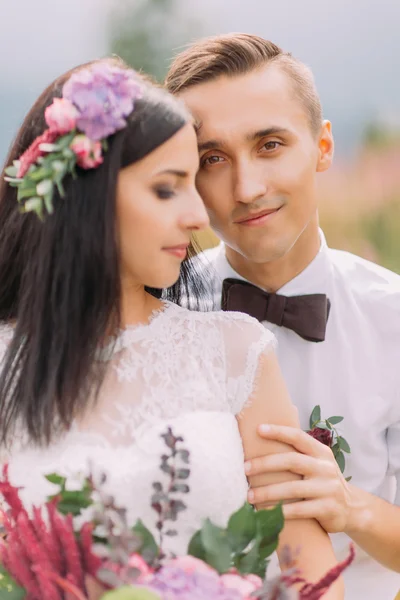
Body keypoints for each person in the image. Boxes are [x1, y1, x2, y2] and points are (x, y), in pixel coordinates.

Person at [0, 57, 343, 597]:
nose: (199, 216)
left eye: (194, 185)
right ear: (86, 196)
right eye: (166, 189)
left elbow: (304, 561)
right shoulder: (6, 366)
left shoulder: (236, 352)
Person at [165, 33, 400, 599]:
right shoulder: (149, 316)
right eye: (213, 159)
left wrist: (354, 509)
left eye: (270, 144)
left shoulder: (394, 319)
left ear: (322, 147)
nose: (247, 188)